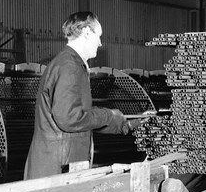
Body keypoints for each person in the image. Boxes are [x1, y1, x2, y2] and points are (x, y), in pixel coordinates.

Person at [24, 11, 139, 179]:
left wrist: (124, 125)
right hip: (56, 170)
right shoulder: (69, 66)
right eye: (98, 36)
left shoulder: (70, 63)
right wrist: (108, 114)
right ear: (86, 32)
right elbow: (70, 119)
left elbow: (82, 117)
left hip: (59, 165)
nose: (100, 43)